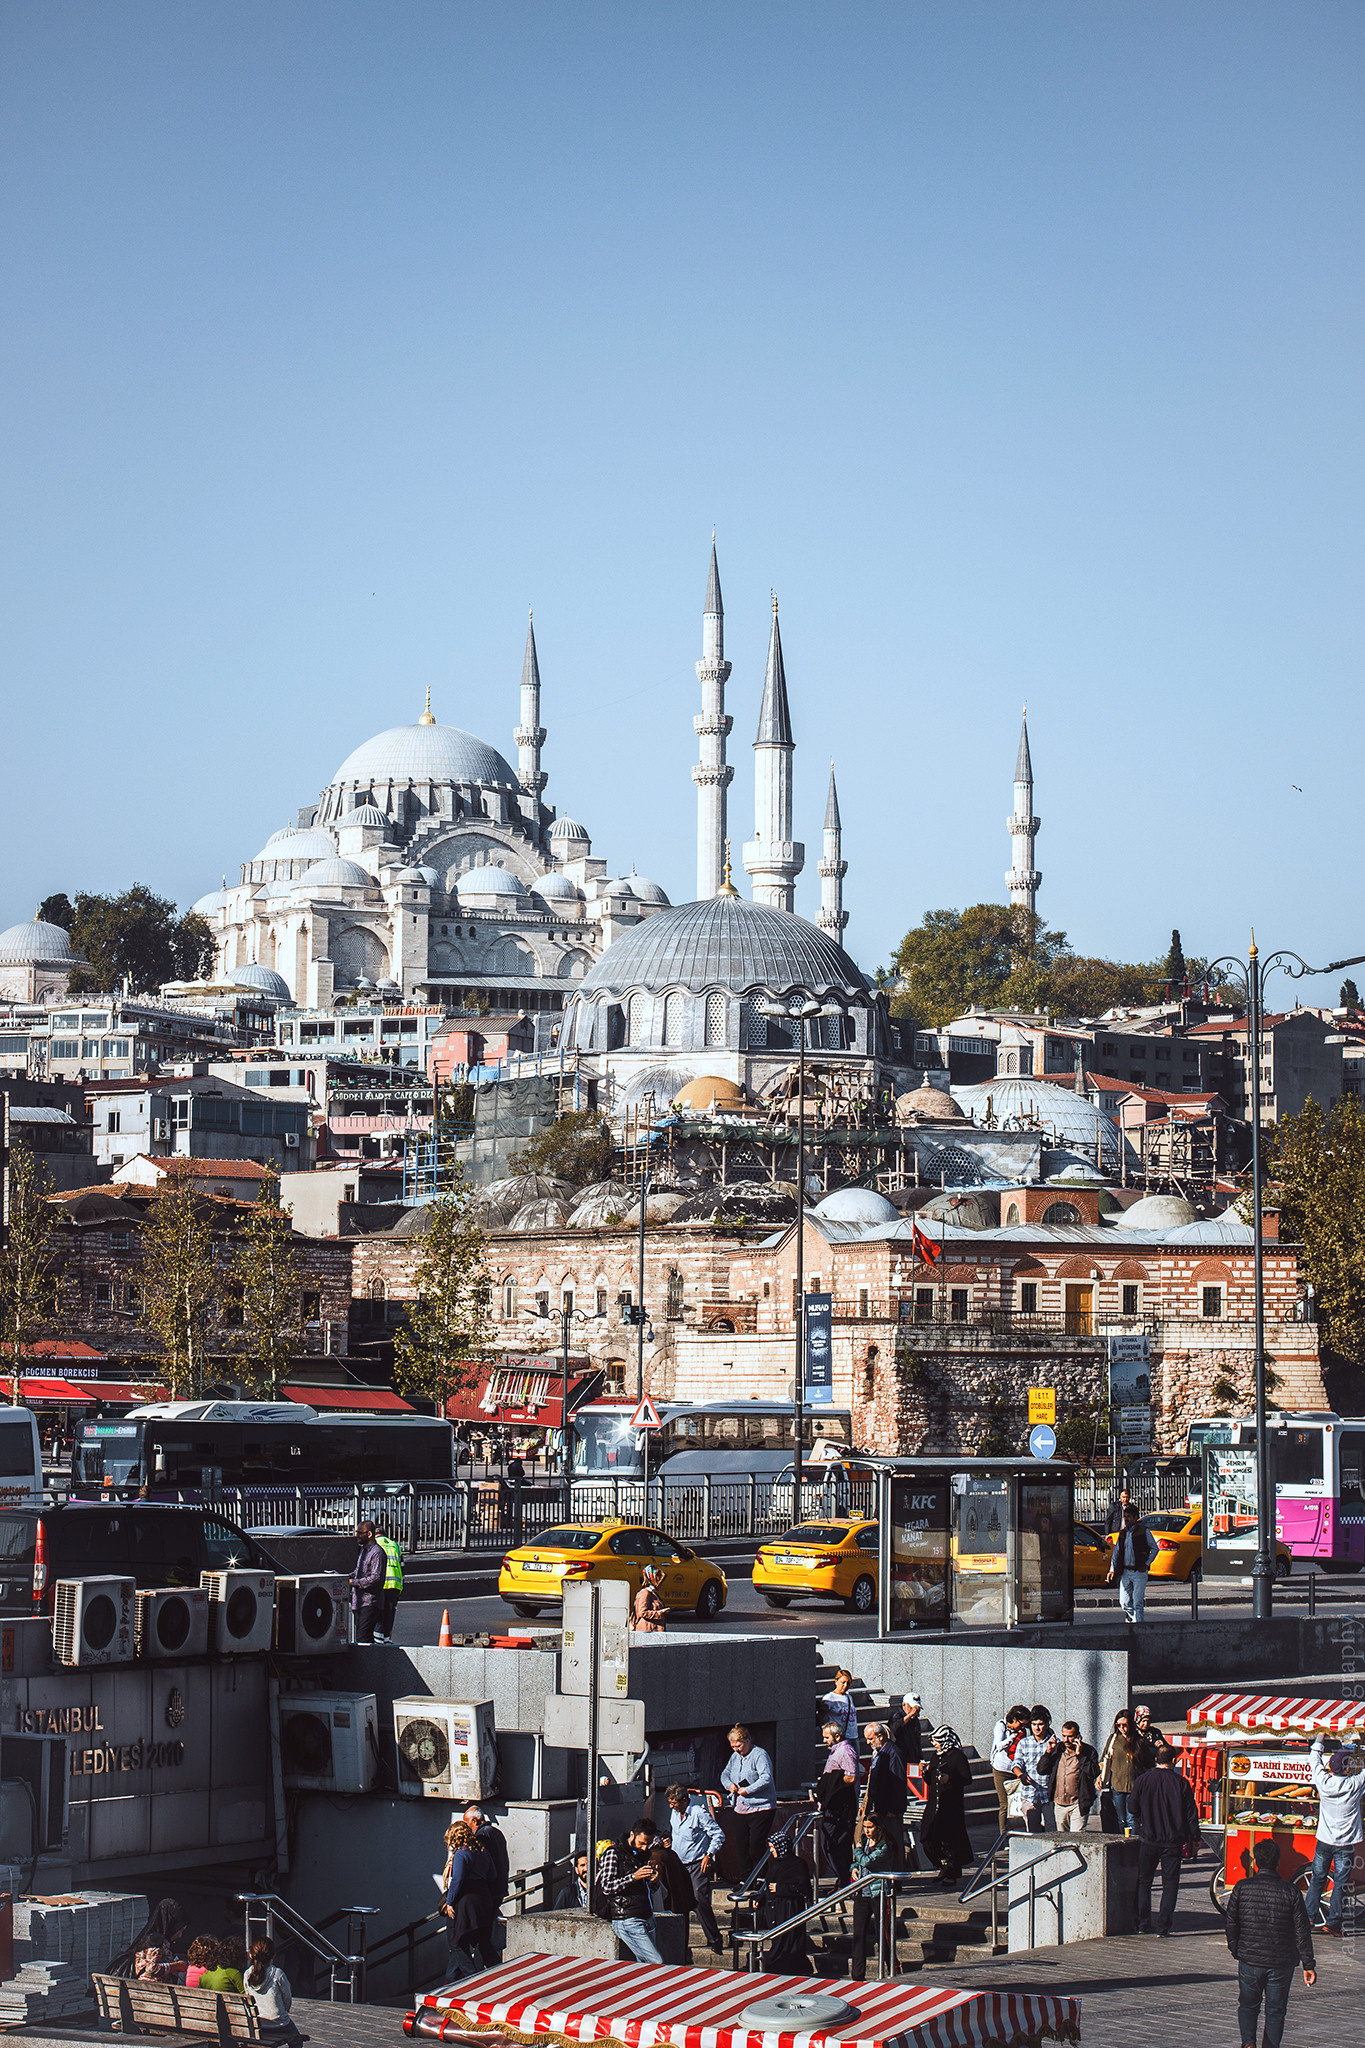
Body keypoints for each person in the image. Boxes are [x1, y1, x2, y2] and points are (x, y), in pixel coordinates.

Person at [1226, 1837, 1316, 2048]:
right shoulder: (1291, 1891)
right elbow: (1302, 1930)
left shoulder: (1242, 1887)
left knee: (1248, 2005)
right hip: (1281, 1962)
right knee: (1275, 2011)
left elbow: (1231, 1922)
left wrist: (1235, 1947)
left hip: (1250, 1958)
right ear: (1277, 1862)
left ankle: (1248, 2043)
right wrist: (1308, 1964)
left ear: (1256, 1862)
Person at [1130, 1742, 1201, 1936]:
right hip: (1173, 1840)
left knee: (1144, 1882)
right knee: (1170, 1884)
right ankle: (1164, 1926)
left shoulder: (1143, 1780)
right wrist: (1195, 1838)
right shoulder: (1181, 1783)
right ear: (1174, 1760)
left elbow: (1132, 1807)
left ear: (1155, 1760)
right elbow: (1191, 1814)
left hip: (1148, 1838)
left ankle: (1143, 1923)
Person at [1303, 1732, 1365, 1935]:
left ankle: (1308, 1918)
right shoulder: (1354, 1785)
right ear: (1347, 1768)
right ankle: (1334, 1922)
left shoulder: (1324, 1781)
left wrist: (1320, 1737)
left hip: (1324, 1841)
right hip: (1346, 1844)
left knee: (1317, 1879)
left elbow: (1313, 1758)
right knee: (1340, 1883)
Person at [666, 1783, 726, 1957]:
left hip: (697, 1863)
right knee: (679, 1905)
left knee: (699, 1900)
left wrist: (709, 1855)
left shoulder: (699, 1813)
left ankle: (714, 1938)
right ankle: (681, 1944)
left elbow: (718, 1835)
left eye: (674, 1803)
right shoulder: (674, 1813)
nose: (672, 1806)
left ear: (684, 1799)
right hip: (679, 1864)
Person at [596, 1822, 665, 1963]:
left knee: (644, 1965)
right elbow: (607, 1887)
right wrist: (633, 1877)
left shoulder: (643, 1854)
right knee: (656, 1962)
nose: (644, 1847)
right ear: (632, 1835)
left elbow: (649, 1889)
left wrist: (654, 1881)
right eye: (641, 1843)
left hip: (646, 1916)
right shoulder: (613, 1853)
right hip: (627, 1919)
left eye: (648, 1843)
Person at [442, 1818, 496, 1977]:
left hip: (466, 1902)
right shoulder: (483, 1851)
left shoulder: (461, 1854)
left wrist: (450, 1902)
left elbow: (457, 1880)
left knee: (457, 1942)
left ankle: (472, 1978)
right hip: (484, 1899)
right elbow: (493, 1875)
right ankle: (450, 1980)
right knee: (480, 1941)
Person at [721, 1725, 777, 1875]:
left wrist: (748, 1790)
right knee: (741, 1845)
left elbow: (766, 1778)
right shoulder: (735, 1757)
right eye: (732, 1746)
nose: (736, 1750)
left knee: (755, 1845)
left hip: (761, 1806)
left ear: (747, 1741)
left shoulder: (760, 1754)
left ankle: (762, 1876)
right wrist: (730, 1785)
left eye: (738, 1746)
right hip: (740, 1807)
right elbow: (724, 1774)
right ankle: (745, 1877)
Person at [921, 1726, 973, 1887]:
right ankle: (942, 1864)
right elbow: (930, 1780)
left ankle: (951, 1872)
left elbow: (966, 1778)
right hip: (934, 1803)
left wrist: (950, 1779)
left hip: (951, 1805)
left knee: (949, 1839)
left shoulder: (957, 1757)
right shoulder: (936, 1756)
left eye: (937, 1741)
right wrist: (925, 1772)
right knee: (927, 1835)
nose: (935, 1745)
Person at [761, 1827, 814, 1975]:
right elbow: (768, 1885)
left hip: (791, 1909)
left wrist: (781, 1888)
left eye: (773, 1848)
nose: (771, 1851)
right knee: (779, 1940)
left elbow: (802, 1888)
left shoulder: (797, 1864)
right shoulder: (775, 1863)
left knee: (790, 1941)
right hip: (777, 1909)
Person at [849, 1815, 896, 1978]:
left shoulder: (884, 1845)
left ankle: (891, 1968)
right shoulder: (864, 1841)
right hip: (862, 1894)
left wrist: (857, 1849)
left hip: (879, 1893)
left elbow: (868, 1861)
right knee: (858, 1934)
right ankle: (857, 1974)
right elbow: (858, 1862)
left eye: (870, 1827)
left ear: (878, 1827)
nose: (867, 1831)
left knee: (882, 1933)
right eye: (865, 1827)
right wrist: (854, 1868)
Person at [814, 1719, 861, 1886]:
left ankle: (844, 1880)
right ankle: (842, 1879)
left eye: (827, 1737)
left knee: (835, 1844)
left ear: (837, 1736)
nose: (824, 1741)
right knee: (830, 1844)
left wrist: (833, 1791)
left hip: (841, 1807)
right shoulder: (836, 1751)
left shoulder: (845, 1751)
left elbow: (851, 1776)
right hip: (833, 1805)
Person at [862, 1722, 908, 1868]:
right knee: (885, 1842)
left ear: (880, 1736)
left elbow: (899, 1783)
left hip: (890, 1809)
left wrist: (894, 1809)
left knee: (893, 1842)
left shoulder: (893, 1753)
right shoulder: (882, 1753)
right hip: (882, 1807)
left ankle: (896, 1877)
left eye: (870, 1739)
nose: (868, 1743)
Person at [243, 1936, 303, 2046]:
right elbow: (287, 1997)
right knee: (297, 2041)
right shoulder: (277, 1974)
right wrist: (284, 2010)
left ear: (251, 1955)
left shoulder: (247, 1974)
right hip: (279, 2023)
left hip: (259, 2024)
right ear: (273, 1955)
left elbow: (247, 1996)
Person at [111, 1898, 188, 1980]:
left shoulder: (148, 1938)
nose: (180, 1935)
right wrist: (178, 1966)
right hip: (149, 1989)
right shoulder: (156, 1942)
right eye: (180, 1930)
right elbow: (152, 1969)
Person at [1012, 1710, 1059, 1833]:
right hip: (1030, 1794)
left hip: (1049, 1795)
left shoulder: (1055, 1743)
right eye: (1034, 1724)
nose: (1037, 1728)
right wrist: (1021, 1775)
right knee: (1033, 1831)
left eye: (1040, 1724)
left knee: (1052, 1829)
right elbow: (1016, 1764)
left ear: (1047, 1725)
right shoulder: (1024, 1743)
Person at [1099, 1710, 1145, 1833]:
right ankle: (1122, 1843)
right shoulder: (1114, 1739)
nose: (1122, 1728)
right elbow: (1103, 1759)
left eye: (1124, 1725)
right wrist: (1100, 1777)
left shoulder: (1139, 1740)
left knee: (1132, 1819)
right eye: (1118, 1725)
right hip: (1117, 1785)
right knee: (1121, 1820)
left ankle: (1132, 1844)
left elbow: (1147, 1763)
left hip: (1133, 1786)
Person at [1107, 1505, 1155, 1622]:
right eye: (1125, 1517)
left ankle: (1138, 1626)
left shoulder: (1144, 1531)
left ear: (1135, 1518)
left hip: (1139, 1571)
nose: (1126, 1519)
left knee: (1138, 1602)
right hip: (1125, 1572)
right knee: (1124, 1602)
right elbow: (1116, 1553)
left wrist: (1147, 1564)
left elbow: (1155, 1548)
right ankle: (1136, 1621)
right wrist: (1112, 1569)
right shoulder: (1122, 1533)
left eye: (1129, 1517)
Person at [1051, 1722, 1101, 1833]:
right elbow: (1041, 1769)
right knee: (1061, 1839)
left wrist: (1080, 1755)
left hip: (1078, 1804)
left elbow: (1093, 1773)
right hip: (1059, 1804)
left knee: (1076, 1839)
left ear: (1078, 1736)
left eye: (1070, 1736)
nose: (1066, 1740)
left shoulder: (1088, 1751)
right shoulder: (1058, 1749)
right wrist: (1048, 1752)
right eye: (1064, 1736)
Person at [990, 1705, 1030, 1835]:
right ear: (1014, 1719)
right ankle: (1003, 1835)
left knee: (1018, 1802)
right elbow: (999, 1745)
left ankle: (1018, 1831)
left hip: (1016, 1769)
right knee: (1004, 1805)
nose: (1022, 1727)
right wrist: (1012, 1737)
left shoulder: (1024, 1730)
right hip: (1001, 1769)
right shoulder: (1001, 1726)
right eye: (1021, 1724)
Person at [350, 1520, 386, 1645]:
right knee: (364, 1637)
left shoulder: (377, 1552)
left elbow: (376, 1578)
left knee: (362, 1638)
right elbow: (358, 1571)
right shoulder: (363, 1550)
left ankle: (366, 1663)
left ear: (369, 1534)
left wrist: (353, 1582)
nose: (357, 1535)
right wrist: (344, 1577)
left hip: (370, 1602)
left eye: (360, 1533)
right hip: (358, 1601)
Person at [888, 1692, 931, 1771]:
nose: (914, 1712)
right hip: (900, 1759)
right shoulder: (896, 1717)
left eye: (916, 1710)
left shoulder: (915, 1720)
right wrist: (909, 1715)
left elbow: (917, 1741)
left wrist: (920, 1759)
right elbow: (894, 1729)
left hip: (913, 1757)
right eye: (911, 1708)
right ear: (904, 1705)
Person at [375, 1527, 404, 1644]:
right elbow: (402, 1567)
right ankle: (387, 1641)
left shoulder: (374, 1544)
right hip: (395, 1584)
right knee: (389, 1614)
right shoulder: (395, 1545)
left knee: (378, 1615)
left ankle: (378, 1643)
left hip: (380, 1584)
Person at [821, 1668, 859, 1746]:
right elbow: (821, 1716)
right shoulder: (829, 1698)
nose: (845, 1686)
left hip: (853, 1735)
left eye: (848, 1683)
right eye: (843, 1682)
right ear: (836, 1681)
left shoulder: (849, 1697)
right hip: (840, 1737)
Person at [631, 1565, 668, 1632]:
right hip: (647, 1631)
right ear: (652, 1579)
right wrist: (660, 1613)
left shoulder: (654, 1593)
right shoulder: (645, 1593)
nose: (661, 1584)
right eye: (659, 1580)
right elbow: (642, 1613)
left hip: (654, 1631)